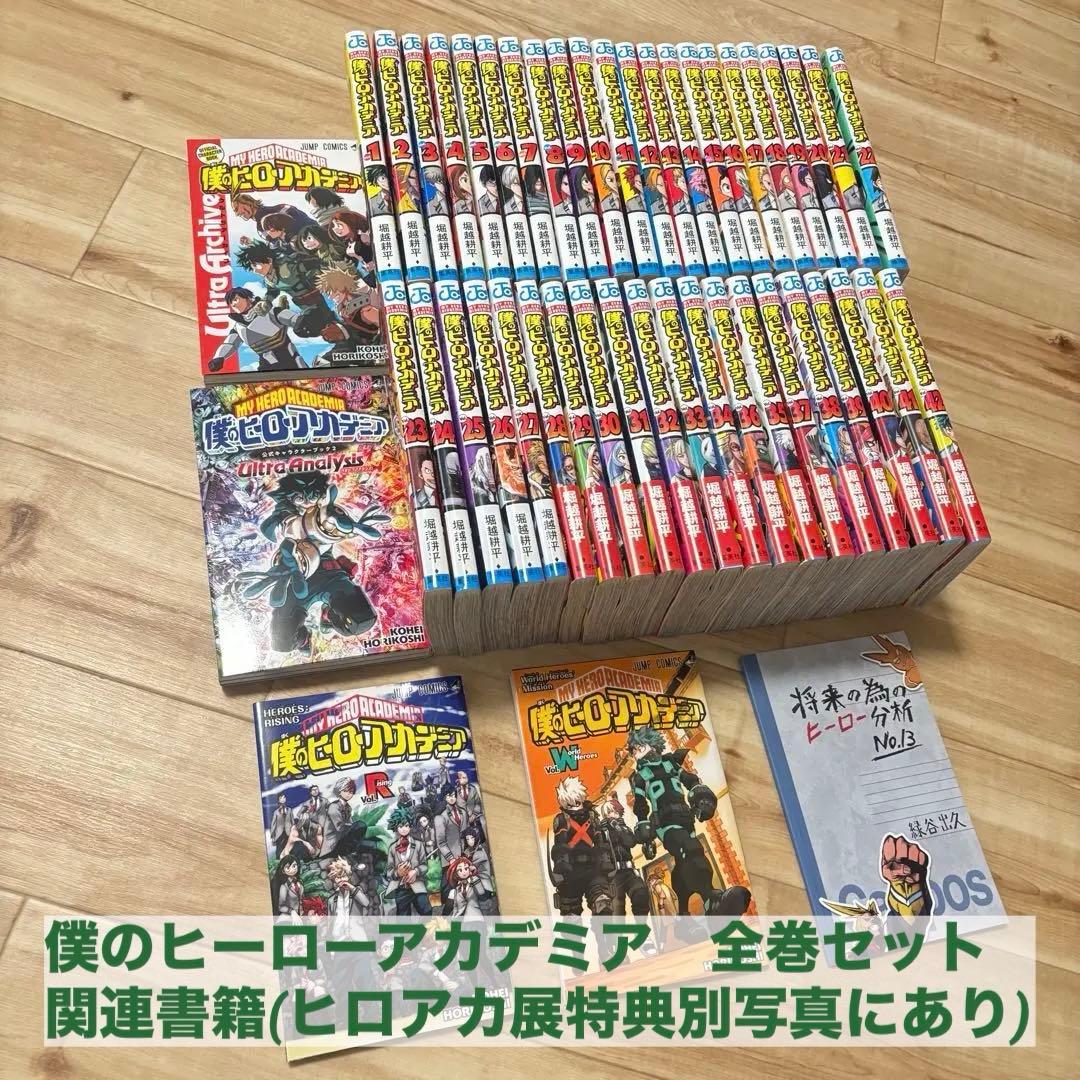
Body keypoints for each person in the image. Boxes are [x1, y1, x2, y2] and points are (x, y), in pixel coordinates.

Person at [209, 287, 303, 374]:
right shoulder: (238, 327)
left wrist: (300, 321)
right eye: (230, 303)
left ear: (248, 298)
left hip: (290, 360)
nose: (233, 304)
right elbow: (230, 344)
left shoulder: (271, 312)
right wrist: (218, 358)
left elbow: (291, 318)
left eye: (235, 299)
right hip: (267, 365)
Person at [270, 854, 304, 918]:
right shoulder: (284, 886)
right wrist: (291, 911)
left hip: (300, 915)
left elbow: (301, 899)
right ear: (283, 871)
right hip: (288, 916)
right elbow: (280, 906)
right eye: (288, 868)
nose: (292, 869)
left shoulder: (299, 883)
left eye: (294, 866)